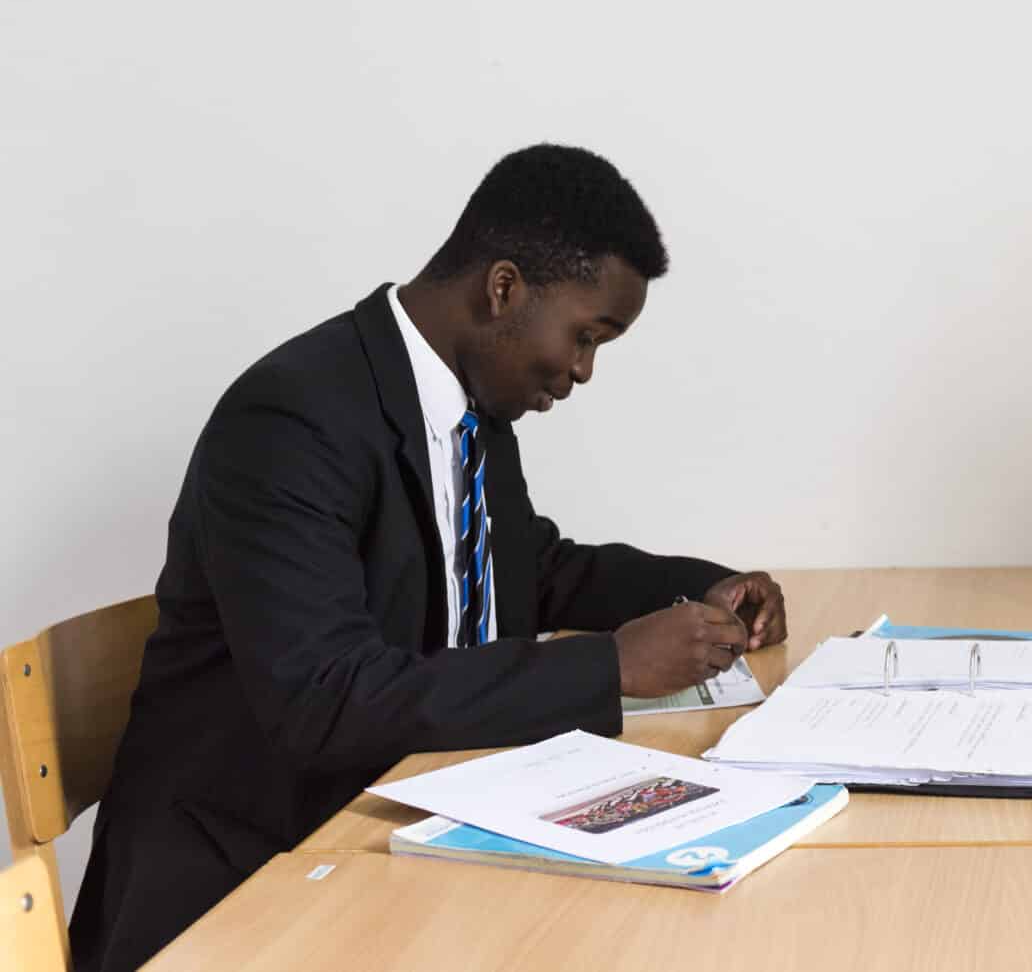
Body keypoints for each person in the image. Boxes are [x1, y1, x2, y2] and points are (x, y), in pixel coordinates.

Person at [70, 144, 784, 971]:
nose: (583, 371)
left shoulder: (472, 413)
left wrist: (701, 587)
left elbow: (531, 569)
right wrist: (609, 666)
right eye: (585, 337)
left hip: (400, 831)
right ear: (505, 287)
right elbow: (324, 699)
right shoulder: (291, 420)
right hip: (249, 881)